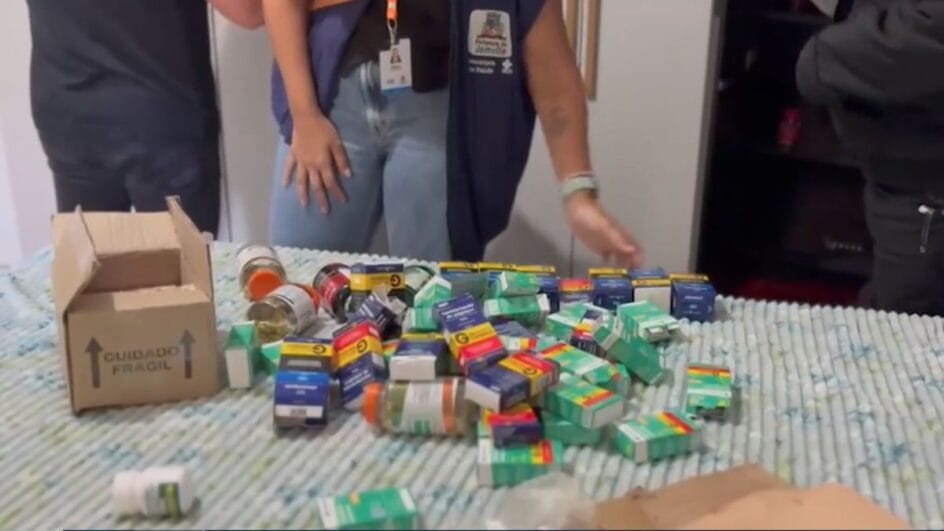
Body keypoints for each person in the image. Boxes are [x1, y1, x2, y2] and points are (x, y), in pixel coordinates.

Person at [265, 0, 642, 265]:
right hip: (329, 104)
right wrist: (305, 116)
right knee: (298, 284)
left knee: (430, 302)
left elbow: (552, 75)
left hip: (438, 116)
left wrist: (578, 195)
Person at [27, 0, 263, 235]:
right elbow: (248, 11)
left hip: (67, 104)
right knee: (178, 259)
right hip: (160, 114)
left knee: (90, 254)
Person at [796, 0, 944, 315]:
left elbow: (924, 38)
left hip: (926, 199)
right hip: (908, 190)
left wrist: (821, 59)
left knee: (905, 330)